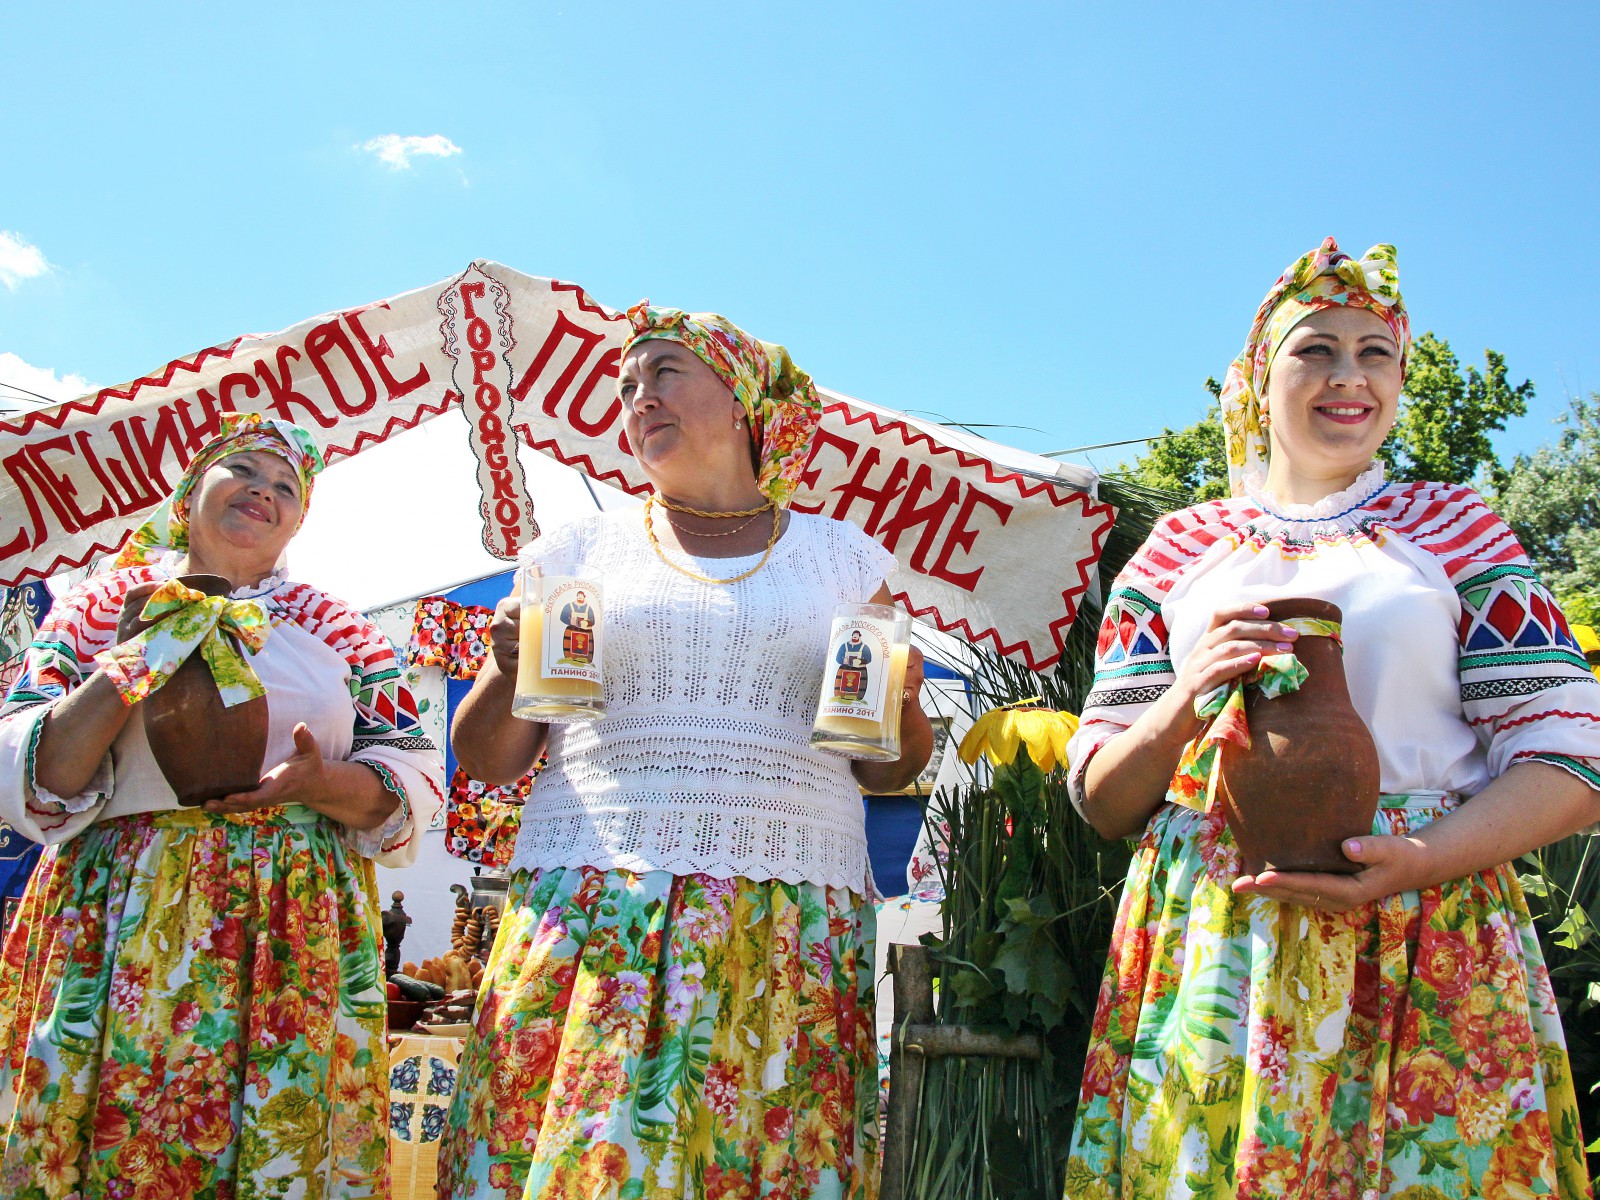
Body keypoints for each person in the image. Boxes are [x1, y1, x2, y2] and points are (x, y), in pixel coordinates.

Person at [1062, 240, 1600, 1199]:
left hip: (1420, 925)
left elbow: (1572, 757)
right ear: (1259, 378)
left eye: (1376, 352)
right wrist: (1188, 701)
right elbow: (1104, 801)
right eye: (1316, 350)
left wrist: (1427, 860)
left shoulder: (1455, 528)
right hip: (1218, 943)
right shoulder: (1178, 549)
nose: (1349, 377)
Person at [437, 303, 933, 1200]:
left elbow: (886, 769)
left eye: (664, 372)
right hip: (601, 903)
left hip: (786, 910)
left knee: (757, 1162)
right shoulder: (580, 547)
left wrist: (899, 704)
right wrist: (506, 672)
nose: (638, 397)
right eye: (626, 386)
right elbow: (493, 758)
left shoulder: (844, 563)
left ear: (743, 401)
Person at [0, 413, 444, 1199]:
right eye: (243, 470)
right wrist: (139, 656)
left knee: (276, 1140)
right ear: (190, 487)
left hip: (292, 922)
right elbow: (30, 769)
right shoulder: (96, 609)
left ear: (299, 521)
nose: (262, 493)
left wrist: (315, 783)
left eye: (286, 488)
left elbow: (409, 774)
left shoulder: (339, 628)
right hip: (124, 918)